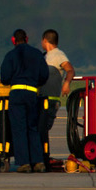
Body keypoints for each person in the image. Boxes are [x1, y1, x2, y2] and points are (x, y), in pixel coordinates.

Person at [0, 29, 49, 173]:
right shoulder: (36, 54)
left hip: (17, 92)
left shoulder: (10, 55)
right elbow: (44, 75)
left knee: (19, 129)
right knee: (32, 128)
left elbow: (4, 78)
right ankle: (38, 162)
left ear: (13, 40)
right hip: (32, 93)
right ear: (27, 39)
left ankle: (24, 163)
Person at [39, 29, 76, 160]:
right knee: (40, 129)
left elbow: (70, 70)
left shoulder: (58, 55)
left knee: (42, 128)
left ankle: (44, 156)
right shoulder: (46, 55)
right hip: (42, 99)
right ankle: (42, 155)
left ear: (45, 40)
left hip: (50, 99)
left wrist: (66, 83)